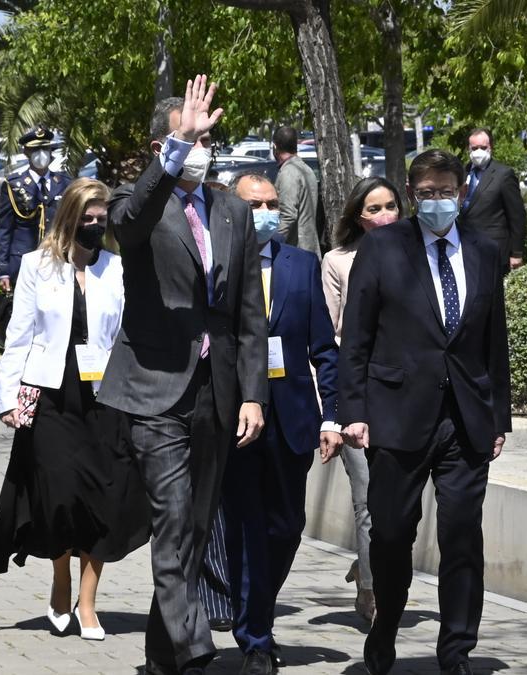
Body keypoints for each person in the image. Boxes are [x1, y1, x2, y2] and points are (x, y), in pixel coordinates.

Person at [96, 75, 268, 675]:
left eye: (206, 139)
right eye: (189, 140)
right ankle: (196, 655)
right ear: (161, 150)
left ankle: (162, 657)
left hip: (215, 391)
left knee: (193, 529)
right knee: (172, 517)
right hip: (152, 388)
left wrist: (253, 395)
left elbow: (249, 310)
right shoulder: (135, 201)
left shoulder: (232, 211)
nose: (202, 147)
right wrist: (174, 150)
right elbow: (129, 223)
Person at [339, 149, 511, 675]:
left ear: (462, 192)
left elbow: (493, 340)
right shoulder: (385, 247)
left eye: (447, 191)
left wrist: (498, 417)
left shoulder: (483, 249)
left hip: (465, 417)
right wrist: (354, 410)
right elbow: (357, 337)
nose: (438, 201)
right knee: (391, 532)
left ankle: (456, 648)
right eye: (427, 192)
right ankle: (385, 624)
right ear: (413, 195)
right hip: (396, 414)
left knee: (462, 534)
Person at [0, 178, 150, 641]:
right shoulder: (37, 265)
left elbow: (128, 336)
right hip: (50, 393)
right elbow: (19, 334)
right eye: (86, 219)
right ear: (68, 219)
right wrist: (8, 397)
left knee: (101, 499)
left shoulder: (117, 268)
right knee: (56, 496)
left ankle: (89, 603)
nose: (94, 227)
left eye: (101, 220)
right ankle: (60, 582)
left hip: (105, 396)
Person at [223, 173, 342, 674]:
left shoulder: (302, 265)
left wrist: (333, 415)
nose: (266, 213)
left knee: (286, 526)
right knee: (246, 527)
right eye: (254, 205)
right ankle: (256, 638)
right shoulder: (218, 265)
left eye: (272, 204)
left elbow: (323, 350)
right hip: (237, 421)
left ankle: (256, 610)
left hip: (293, 419)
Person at [320, 175, 404, 623]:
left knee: (398, 504)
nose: (385, 215)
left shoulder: (418, 254)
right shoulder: (338, 262)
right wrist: (332, 413)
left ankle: (368, 561)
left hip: (407, 398)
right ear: (358, 216)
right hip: (359, 396)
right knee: (367, 499)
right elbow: (330, 340)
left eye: (391, 205)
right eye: (374, 208)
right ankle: (372, 592)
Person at [0, 124, 74, 292]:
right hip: (22, 262)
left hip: (57, 260)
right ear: (26, 153)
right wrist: (3, 270)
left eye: (45, 149)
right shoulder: (14, 185)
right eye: (35, 150)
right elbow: (4, 229)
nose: (41, 154)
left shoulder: (65, 183)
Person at [458, 127, 527, 272]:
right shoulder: (460, 174)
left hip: (494, 251)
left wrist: (517, 253)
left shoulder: (504, 174)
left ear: (491, 148)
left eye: (483, 147)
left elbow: (517, 216)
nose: (478, 152)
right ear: (468, 149)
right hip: (464, 251)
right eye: (474, 148)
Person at [272, 126, 320, 258]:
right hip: (307, 250)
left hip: (297, 254)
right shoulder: (305, 169)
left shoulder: (289, 173)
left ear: (275, 147)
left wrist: (270, 244)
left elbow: (288, 216)